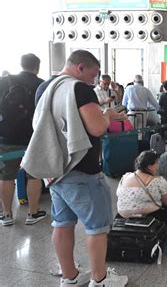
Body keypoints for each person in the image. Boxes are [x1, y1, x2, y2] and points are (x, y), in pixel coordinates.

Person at [21, 50, 128, 286]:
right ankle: (99, 280)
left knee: (61, 224)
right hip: (81, 169)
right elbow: (97, 128)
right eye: (93, 74)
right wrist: (108, 115)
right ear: (80, 67)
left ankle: (70, 277)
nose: (93, 80)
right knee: (97, 228)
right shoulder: (79, 88)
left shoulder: (45, 87)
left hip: (56, 170)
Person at [0, 53, 45, 226]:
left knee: (6, 176)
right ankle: (33, 213)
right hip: (34, 137)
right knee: (33, 175)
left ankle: (7, 215)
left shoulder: (5, 81)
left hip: (7, 137)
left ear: (21, 64)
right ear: (37, 67)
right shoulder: (42, 85)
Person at [117, 150, 167, 222]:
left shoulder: (125, 176)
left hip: (123, 214)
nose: (158, 165)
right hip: (147, 215)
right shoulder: (158, 181)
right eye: (157, 163)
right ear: (149, 167)